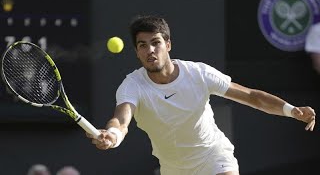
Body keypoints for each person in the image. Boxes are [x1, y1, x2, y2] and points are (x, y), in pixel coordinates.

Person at [86, 15, 316, 175]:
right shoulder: (132, 85)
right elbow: (121, 119)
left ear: (168, 45)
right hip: (173, 168)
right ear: (137, 52)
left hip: (213, 156)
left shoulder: (198, 73)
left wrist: (290, 110)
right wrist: (113, 135)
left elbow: (251, 96)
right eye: (143, 46)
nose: (150, 51)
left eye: (156, 43)